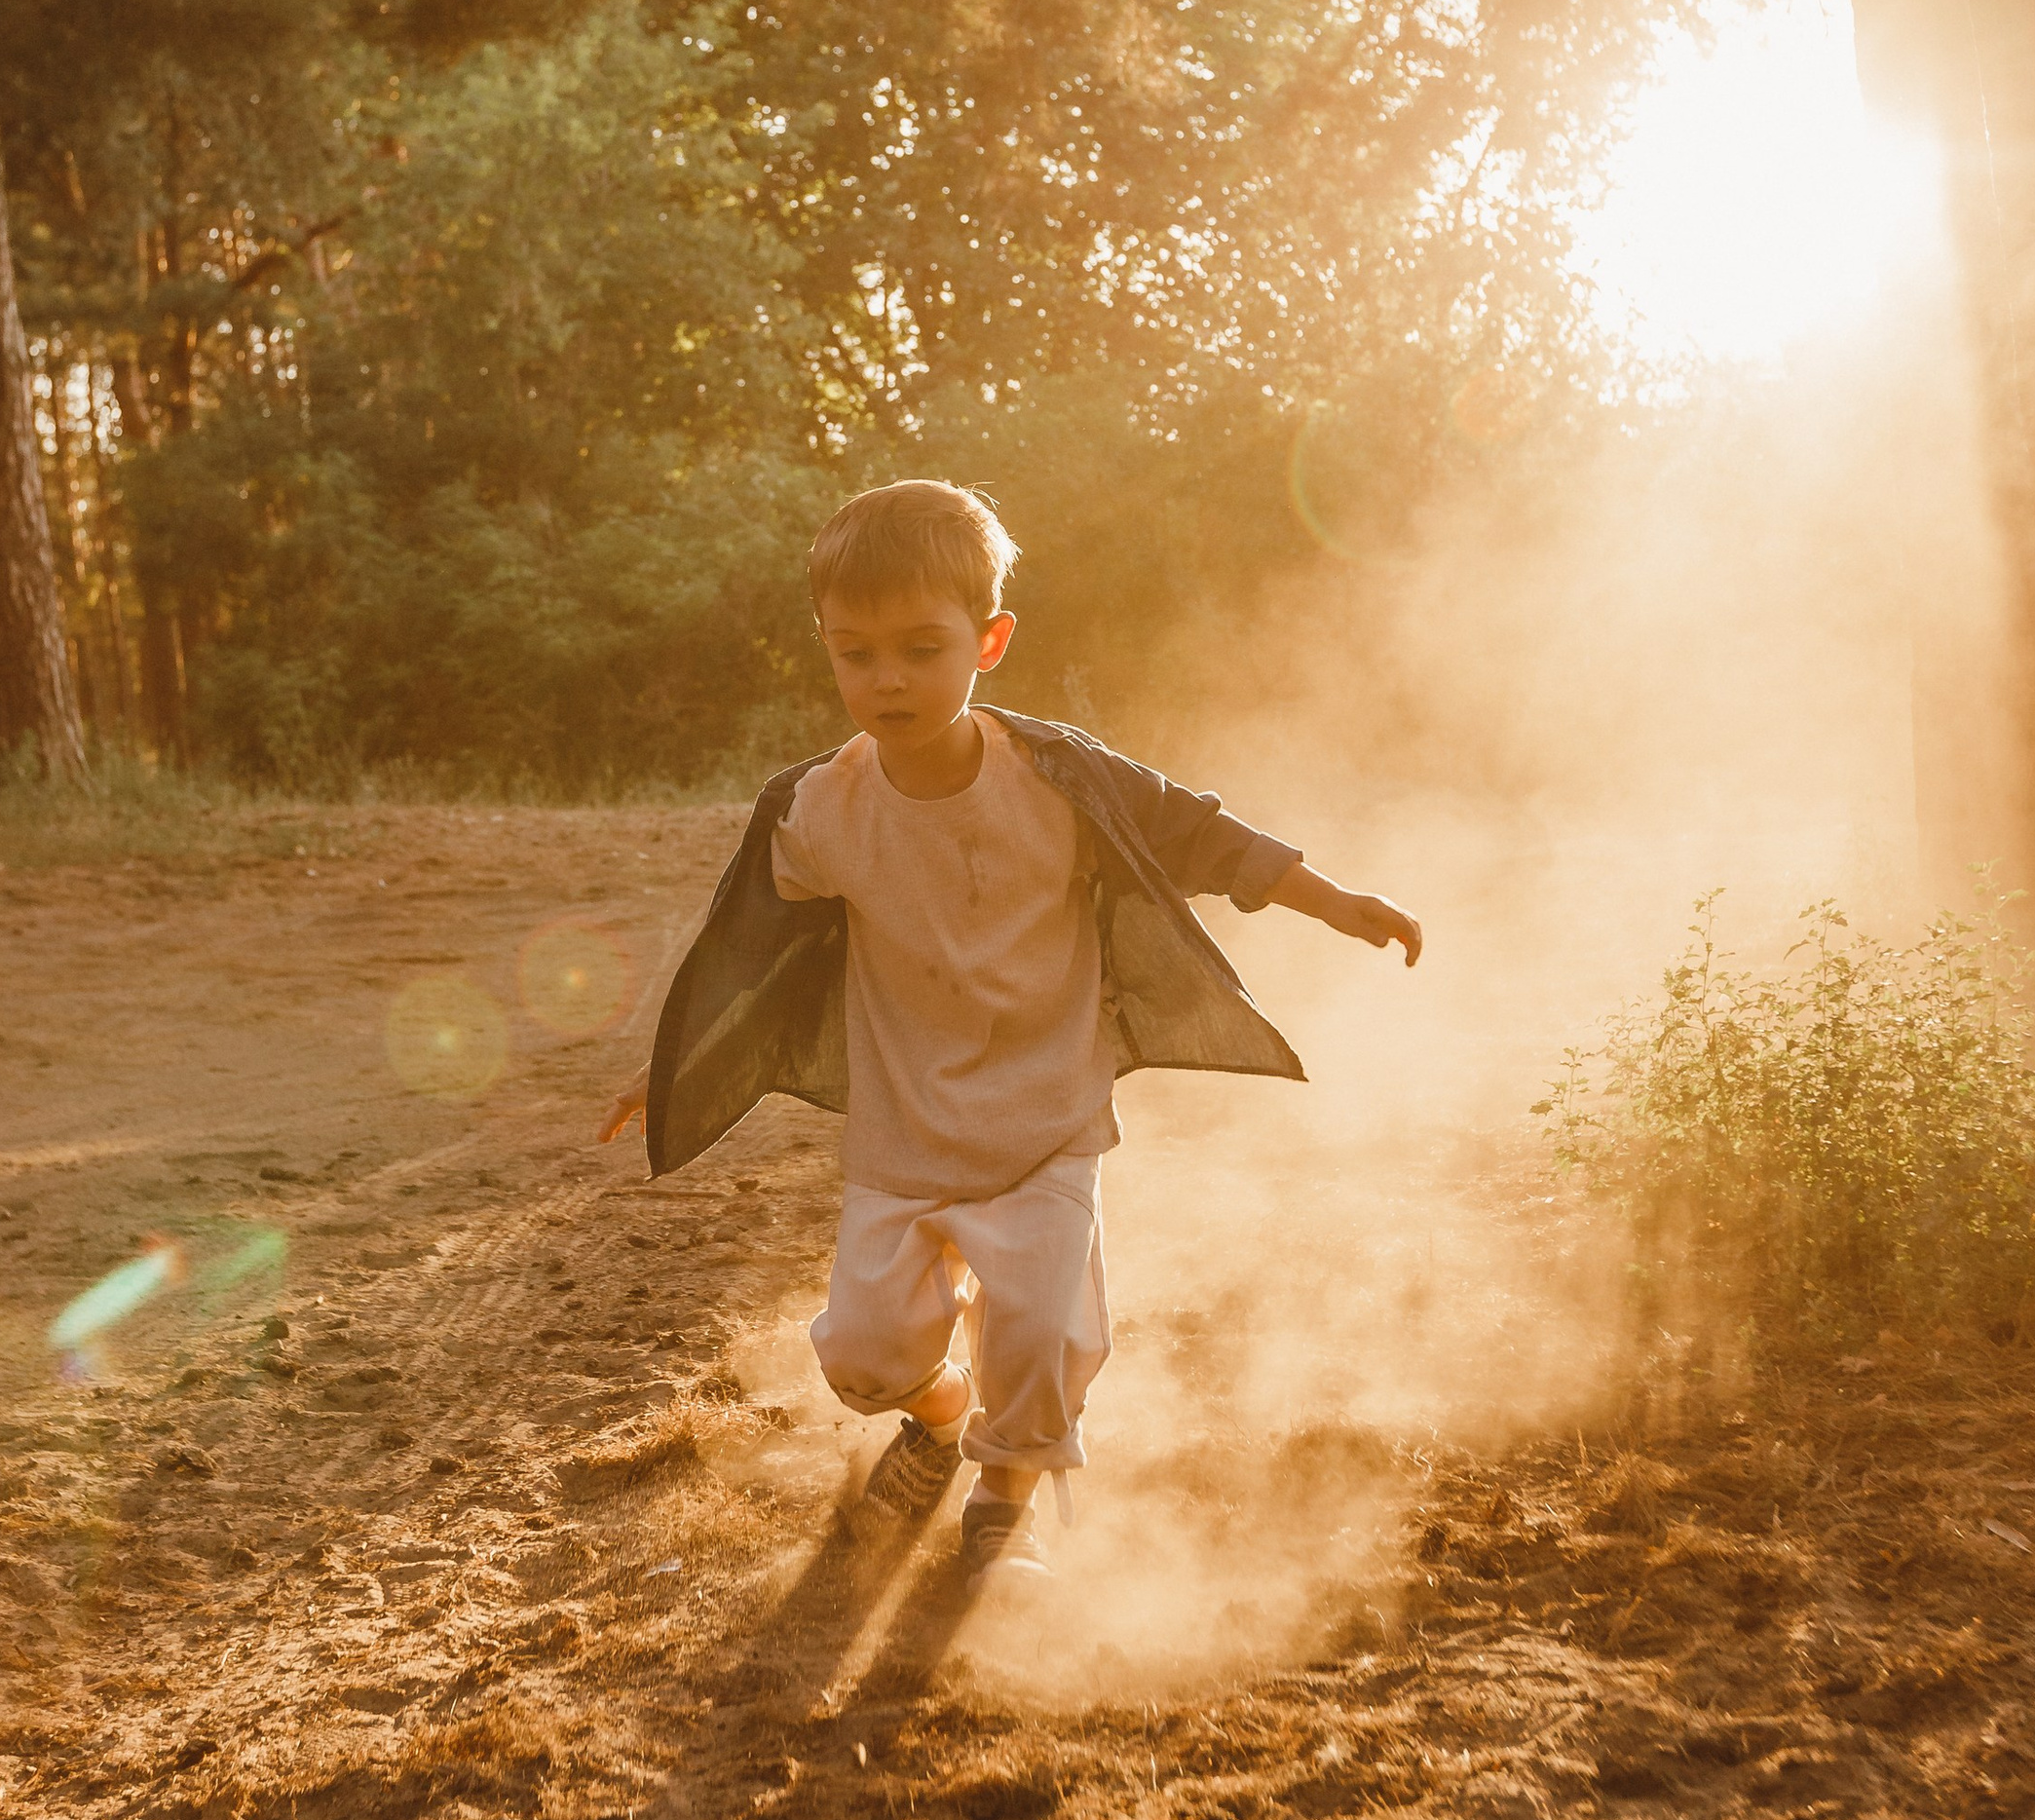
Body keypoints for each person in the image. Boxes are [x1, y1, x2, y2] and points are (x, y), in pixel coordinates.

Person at [600, 479, 1420, 1578]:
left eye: (920, 647)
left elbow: (1202, 837)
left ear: (989, 640)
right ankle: (937, 1417)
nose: (886, 678)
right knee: (859, 1356)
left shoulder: (1060, 777)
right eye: (855, 653)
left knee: (1039, 1338)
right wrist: (675, 1072)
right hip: (905, 1130)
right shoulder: (818, 808)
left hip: (1046, 1113)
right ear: (827, 650)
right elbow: (741, 952)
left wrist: (1337, 901)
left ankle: (1005, 1500)